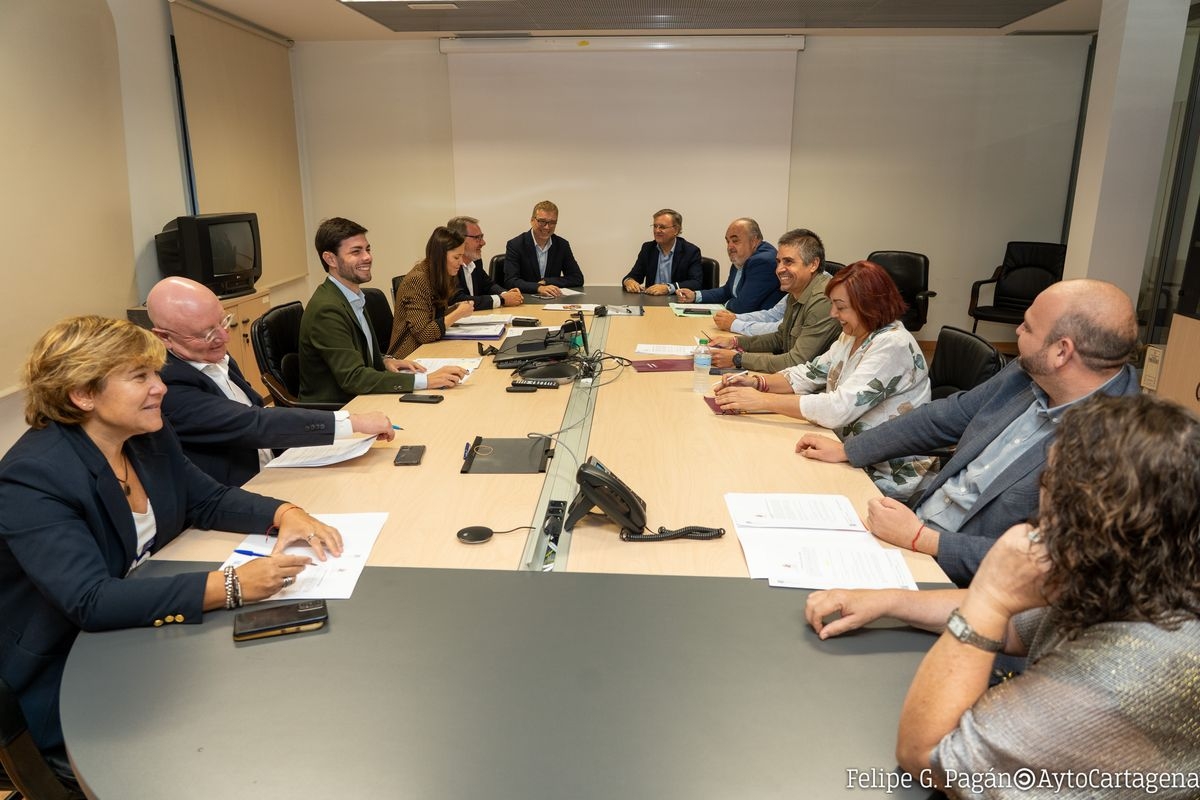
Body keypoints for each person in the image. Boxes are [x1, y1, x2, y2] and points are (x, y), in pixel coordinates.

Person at [0, 316, 342, 785]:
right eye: (140, 377)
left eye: (156, 374)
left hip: (149, 636)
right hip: (72, 672)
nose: (160, 388)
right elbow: (90, 600)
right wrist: (229, 587)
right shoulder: (33, 477)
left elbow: (207, 498)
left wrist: (285, 512)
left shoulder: (144, 434)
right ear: (82, 395)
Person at [806, 394, 1200, 797]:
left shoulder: (1119, 678)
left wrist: (991, 597)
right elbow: (1016, 628)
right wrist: (889, 600)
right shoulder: (1147, 575)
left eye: (1049, 481)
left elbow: (926, 756)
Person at [796, 279, 1140, 586]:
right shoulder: (1029, 372)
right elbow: (945, 417)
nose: (1016, 331)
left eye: (1028, 327)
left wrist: (923, 539)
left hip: (963, 580)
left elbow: (1053, 564)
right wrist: (850, 449)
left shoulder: (1122, 444)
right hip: (910, 529)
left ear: (1061, 351)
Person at [714, 261, 934, 499]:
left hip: (882, 471)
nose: (833, 314)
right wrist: (757, 383)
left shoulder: (893, 345)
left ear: (869, 306)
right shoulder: (854, 334)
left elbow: (838, 407)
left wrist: (762, 401)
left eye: (840, 307)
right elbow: (810, 373)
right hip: (841, 449)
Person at [146, 277, 395, 486]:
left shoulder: (209, 351)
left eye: (223, 322)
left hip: (277, 468)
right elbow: (252, 422)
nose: (224, 337)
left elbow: (256, 409)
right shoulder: (168, 385)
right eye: (207, 333)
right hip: (242, 489)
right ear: (165, 337)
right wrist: (354, 422)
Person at [299, 217, 467, 404]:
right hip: (342, 407)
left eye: (367, 249)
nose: (367, 257)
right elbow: (354, 378)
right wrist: (425, 380)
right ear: (330, 259)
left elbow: (354, 351)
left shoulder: (352, 297)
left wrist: (384, 360)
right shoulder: (327, 309)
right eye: (356, 252)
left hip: (362, 396)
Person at [705, 228, 840, 372]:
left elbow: (796, 361)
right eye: (778, 262)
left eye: (788, 262)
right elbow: (780, 338)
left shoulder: (823, 300)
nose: (779, 269)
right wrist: (735, 342)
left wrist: (737, 359)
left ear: (813, 264)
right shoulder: (797, 290)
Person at [388, 226, 478, 358]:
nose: (461, 262)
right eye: (456, 257)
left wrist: (454, 309)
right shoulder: (417, 280)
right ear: (440, 257)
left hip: (431, 348)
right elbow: (424, 333)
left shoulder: (438, 275)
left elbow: (433, 315)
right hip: (410, 355)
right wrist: (457, 314)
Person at [675, 218, 782, 313]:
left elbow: (743, 307)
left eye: (735, 241)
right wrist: (695, 295)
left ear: (754, 241)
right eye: (728, 241)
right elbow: (728, 291)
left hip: (762, 327)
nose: (730, 246)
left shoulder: (763, 261)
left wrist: (724, 304)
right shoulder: (743, 257)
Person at [503, 200, 585, 297]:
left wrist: (547, 282)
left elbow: (577, 278)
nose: (547, 227)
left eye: (552, 222)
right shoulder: (516, 245)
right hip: (524, 301)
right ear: (532, 220)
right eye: (542, 221)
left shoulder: (562, 245)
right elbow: (511, 281)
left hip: (553, 301)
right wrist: (538, 288)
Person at [446, 215, 523, 310]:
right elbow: (458, 299)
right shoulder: (449, 265)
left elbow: (488, 285)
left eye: (482, 237)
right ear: (459, 239)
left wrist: (506, 294)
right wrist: (501, 300)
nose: (483, 242)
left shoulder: (476, 260)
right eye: (477, 238)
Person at [621, 209, 702, 295]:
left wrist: (668, 288)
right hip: (651, 302)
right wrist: (628, 281)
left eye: (662, 227)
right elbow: (634, 276)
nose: (657, 231)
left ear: (676, 230)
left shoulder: (690, 251)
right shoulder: (648, 248)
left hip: (677, 301)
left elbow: (696, 283)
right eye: (655, 226)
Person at [713, 294, 787, 336]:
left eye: (789, 265)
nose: (779, 269)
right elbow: (773, 315)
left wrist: (734, 324)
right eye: (778, 265)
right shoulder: (791, 295)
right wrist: (735, 317)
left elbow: (779, 329)